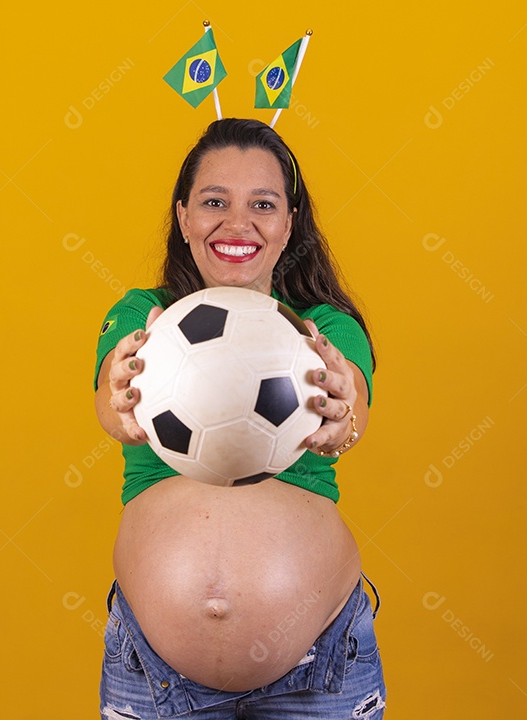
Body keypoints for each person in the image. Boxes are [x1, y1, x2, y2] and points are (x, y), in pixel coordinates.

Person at [94, 118, 385, 719]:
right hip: (156, 672)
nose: (238, 223)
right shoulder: (146, 315)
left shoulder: (323, 329)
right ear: (183, 217)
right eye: (213, 202)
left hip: (319, 665)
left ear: (289, 224)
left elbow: (349, 397)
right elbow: (109, 394)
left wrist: (340, 418)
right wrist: (120, 403)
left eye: (263, 204)